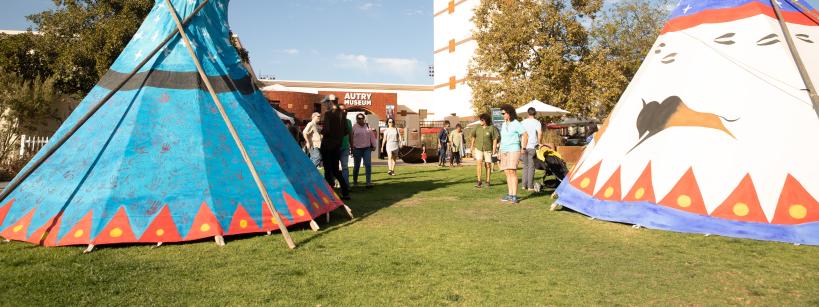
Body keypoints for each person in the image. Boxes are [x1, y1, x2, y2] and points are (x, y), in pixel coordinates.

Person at [320, 95, 351, 200]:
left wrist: (321, 130)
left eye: (325, 103)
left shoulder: (328, 114)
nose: (325, 105)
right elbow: (346, 131)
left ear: (330, 102)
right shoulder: (343, 113)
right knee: (336, 171)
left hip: (327, 145)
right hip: (337, 146)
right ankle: (345, 193)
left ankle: (329, 195)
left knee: (328, 171)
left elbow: (327, 130)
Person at [498, 104, 528, 204]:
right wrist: (499, 151)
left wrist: (523, 147)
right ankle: (510, 194)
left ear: (509, 113)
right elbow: (503, 139)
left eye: (504, 113)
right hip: (504, 150)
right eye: (502, 113)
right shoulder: (503, 124)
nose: (503, 115)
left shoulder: (516, 123)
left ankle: (514, 195)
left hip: (513, 149)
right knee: (507, 172)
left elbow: (525, 134)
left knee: (512, 171)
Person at [469, 113, 499, 188]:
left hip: (488, 149)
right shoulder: (477, 127)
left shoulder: (492, 128)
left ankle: (488, 181)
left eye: (482, 120)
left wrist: (494, 149)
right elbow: (473, 136)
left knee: (488, 165)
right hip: (478, 148)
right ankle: (479, 181)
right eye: (480, 120)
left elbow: (495, 139)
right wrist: (471, 147)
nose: (480, 121)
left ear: (486, 120)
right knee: (479, 163)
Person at [351, 113, 376, 188]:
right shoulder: (354, 127)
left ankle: (368, 182)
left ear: (364, 119)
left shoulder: (368, 126)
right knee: (357, 166)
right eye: (359, 118)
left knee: (368, 165)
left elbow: (372, 136)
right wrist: (352, 148)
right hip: (357, 149)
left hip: (367, 149)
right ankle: (355, 182)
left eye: (362, 118)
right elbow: (351, 138)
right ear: (357, 119)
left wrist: (374, 145)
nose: (361, 120)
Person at [521, 107, 543, 191]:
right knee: (531, 167)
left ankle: (523, 185)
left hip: (524, 146)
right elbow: (540, 133)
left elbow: (520, 134)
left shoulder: (522, 122)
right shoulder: (537, 122)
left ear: (527, 113)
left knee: (525, 166)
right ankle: (530, 186)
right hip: (532, 146)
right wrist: (539, 142)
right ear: (535, 113)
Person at [338, 104, 352, 188]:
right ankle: (332, 186)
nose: (344, 111)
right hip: (335, 148)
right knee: (334, 168)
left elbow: (350, 135)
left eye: (345, 110)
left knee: (345, 167)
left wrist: (352, 146)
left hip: (345, 148)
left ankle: (346, 186)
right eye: (342, 110)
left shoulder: (348, 121)